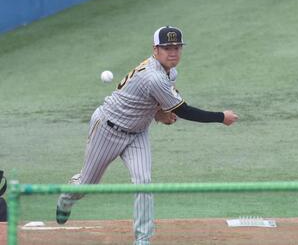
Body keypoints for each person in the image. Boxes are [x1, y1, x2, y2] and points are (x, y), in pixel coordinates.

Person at [56, 26, 239, 245]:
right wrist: (221, 117)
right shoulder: (154, 77)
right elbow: (184, 111)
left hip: (137, 134)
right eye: (167, 47)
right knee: (87, 183)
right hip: (107, 128)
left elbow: (147, 101)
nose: (173, 52)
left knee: (144, 182)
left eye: (177, 47)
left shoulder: (169, 72)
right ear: (156, 50)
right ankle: (67, 198)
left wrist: (158, 114)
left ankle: (142, 239)